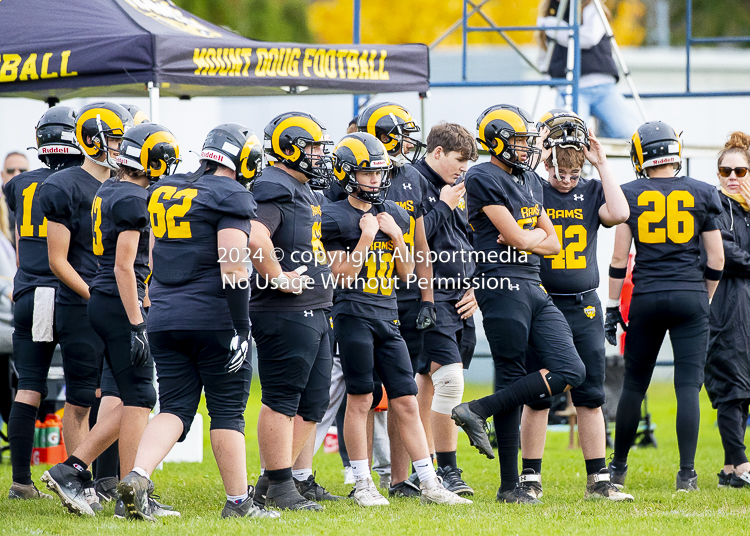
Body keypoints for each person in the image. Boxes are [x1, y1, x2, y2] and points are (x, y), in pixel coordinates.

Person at [117, 123, 275, 521]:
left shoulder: (166, 188)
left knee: (174, 408)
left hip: (165, 315)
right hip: (213, 317)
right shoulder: (230, 193)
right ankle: (239, 503)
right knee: (226, 411)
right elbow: (232, 260)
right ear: (244, 159)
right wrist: (241, 326)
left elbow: (152, 257)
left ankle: (137, 476)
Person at [321, 131, 471, 507]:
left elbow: (406, 273)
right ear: (346, 173)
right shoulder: (334, 215)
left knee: (406, 398)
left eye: (378, 173)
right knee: (360, 398)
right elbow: (341, 275)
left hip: (388, 316)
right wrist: (366, 238)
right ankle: (362, 483)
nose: (375, 180)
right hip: (353, 314)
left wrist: (398, 239)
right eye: (366, 173)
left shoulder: (396, 212)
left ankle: (429, 482)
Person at [451, 104, 586, 504]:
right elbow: (523, 238)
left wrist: (526, 238)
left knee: (570, 368)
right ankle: (510, 485)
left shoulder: (528, 178)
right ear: (495, 141)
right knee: (511, 375)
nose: (525, 148)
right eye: (517, 140)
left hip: (532, 282)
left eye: (527, 140)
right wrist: (527, 238)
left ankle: (477, 408)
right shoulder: (482, 175)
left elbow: (551, 243)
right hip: (500, 281)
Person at [44, 124, 180, 518]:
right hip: (119, 300)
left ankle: (81, 473)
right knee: (141, 397)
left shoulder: (109, 188)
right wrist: (138, 321)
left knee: (130, 398)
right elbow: (124, 266)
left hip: (104, 300)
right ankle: (118, 489)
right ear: (151, 160)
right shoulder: (134, 198)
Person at [517, 109, 632, 501]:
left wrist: (601, 163)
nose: (564, 182)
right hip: (542, 302)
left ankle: (598, 479)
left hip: (583, 303)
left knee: (590, 394)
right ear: (546, 160)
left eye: (571, 174)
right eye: (557, 174)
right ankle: (530, 477)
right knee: (538, 394)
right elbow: (523, 177)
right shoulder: (532, 186)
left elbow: (619, 213)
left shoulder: (591, 188)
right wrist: (540, 154)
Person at [605, 121, 725, 492]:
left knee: (634, 387)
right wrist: (701, 297)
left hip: (648, 297)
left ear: (642, 154)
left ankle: (618, 468)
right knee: (688, 387)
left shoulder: (630, 193)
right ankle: (686, 475)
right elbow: (717, 259)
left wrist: (612, 307)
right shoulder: (702, 192)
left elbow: (619, 258)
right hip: (690, 294)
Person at [38, 102, 134, 513]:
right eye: (116, 140)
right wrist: (99, 296)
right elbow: (57, 260)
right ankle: (78, 484)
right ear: (92, 140)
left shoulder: (123, 185)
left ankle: (122, 483)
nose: (122, 148)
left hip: (118, 302)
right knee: (82, 398)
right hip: (82, 305)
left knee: (125, 395)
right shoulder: (63, 186)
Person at [248, 112, 334, 511]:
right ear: (291, 147)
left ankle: (271, 481)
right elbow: (256, 234)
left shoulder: (300, 187)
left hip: (315, 308)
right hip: (284, 310)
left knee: (313, 403)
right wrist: (278, 276)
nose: (320, 156)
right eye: (314, 148)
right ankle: (282, 486)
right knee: (282, 399)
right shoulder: (272, 184)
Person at [356, 102, 438, 498]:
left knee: (403, 390)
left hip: (402, 295)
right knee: (363, 392)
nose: (409, 141)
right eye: (401, 132)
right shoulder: (347, 173)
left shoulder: (413, 177)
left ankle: (399, 478)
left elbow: (421, 243)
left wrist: (426, 296)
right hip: (362, 296)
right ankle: (361, 475)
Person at [4, 107, 83, 500]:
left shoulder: (17, 186)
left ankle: (21, 482)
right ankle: (87, 477)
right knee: (87, 390)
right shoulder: (80, 183)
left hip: (28, 291)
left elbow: (20, 243)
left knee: (29, 386)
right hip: (64, 292)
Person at [410, 122, 478, 496]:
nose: (463, 167)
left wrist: (477, 286)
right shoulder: (416, 182)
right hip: (431, 297)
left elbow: (470, 239)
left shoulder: (460, 187)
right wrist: (442, 205)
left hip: (462, 297)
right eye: (459, 159)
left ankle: (424, 469)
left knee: (428, 383)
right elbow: (412, 240)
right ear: (437, 153)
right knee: (449, 381)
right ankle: (447, 472)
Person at [705, 132, 750, 489]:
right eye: (725, 170)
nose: (732, 176)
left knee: (745, 391)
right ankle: (741, 463)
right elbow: (729, 256)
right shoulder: (714, 208)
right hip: (725, 310)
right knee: (731, 389)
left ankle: (728, 471)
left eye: (740, 170)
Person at [537, 0, 638, 139]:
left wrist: (552, 26)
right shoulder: (550, 16)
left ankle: (601, 138)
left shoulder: (592, 8)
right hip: (570, 90)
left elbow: (589, 37)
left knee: (630, 133)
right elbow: (543, 58)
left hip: (603, 88)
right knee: (572, 138)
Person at [2, 151, 29, 244]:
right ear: (2, 175)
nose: (16, 175)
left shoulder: (41, 201)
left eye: (22, 171)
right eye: (10, 171)